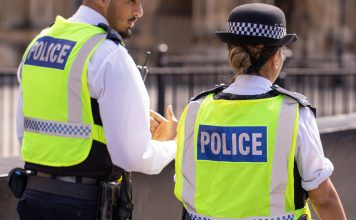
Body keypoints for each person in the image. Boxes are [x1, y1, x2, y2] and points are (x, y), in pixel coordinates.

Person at [174, 3, 346, 220]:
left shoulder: (195, 110)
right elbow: (324, 198)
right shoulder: (292, 113)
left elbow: (185, 182)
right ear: (276, 59)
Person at [14, 0, 177, 219]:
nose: (139, 11)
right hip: (85, 206)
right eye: (132, 1)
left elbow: (24, 135)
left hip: (33, 200)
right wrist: (170, 144)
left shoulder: (38, 44)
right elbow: (133, 157)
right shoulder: (109, 54)